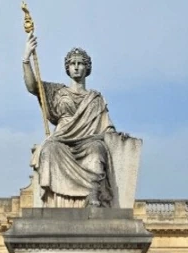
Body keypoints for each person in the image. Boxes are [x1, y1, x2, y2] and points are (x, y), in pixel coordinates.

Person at [22, 34, 125, 207]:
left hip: (88, 141)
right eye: (72, 64)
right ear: (67, 68)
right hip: (62, 140)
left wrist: (117, 137)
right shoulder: (57, 91)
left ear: (87, 68)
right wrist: (26, 58)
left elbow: (107, 127)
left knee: (97, 150)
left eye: (80, 63)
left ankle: (93, 195)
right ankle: (56, 201)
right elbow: (33, 86)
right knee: (49, 148)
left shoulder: (95, 98)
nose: (76, 67)